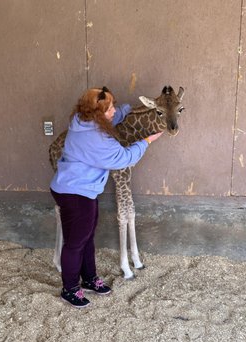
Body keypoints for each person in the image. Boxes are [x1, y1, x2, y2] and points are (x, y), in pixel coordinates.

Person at [50, 86, 163, 308]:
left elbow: (117, 115)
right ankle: (70, 289)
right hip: (75, 192)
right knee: (75, 243)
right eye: (110, 108)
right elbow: (123, 158)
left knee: (86, 236)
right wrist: (147, 141)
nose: (114, 111)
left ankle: (89, 279)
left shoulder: (81, 120)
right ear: (98, 114)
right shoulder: (96, 139)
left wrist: (130, 109)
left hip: (76, 187)